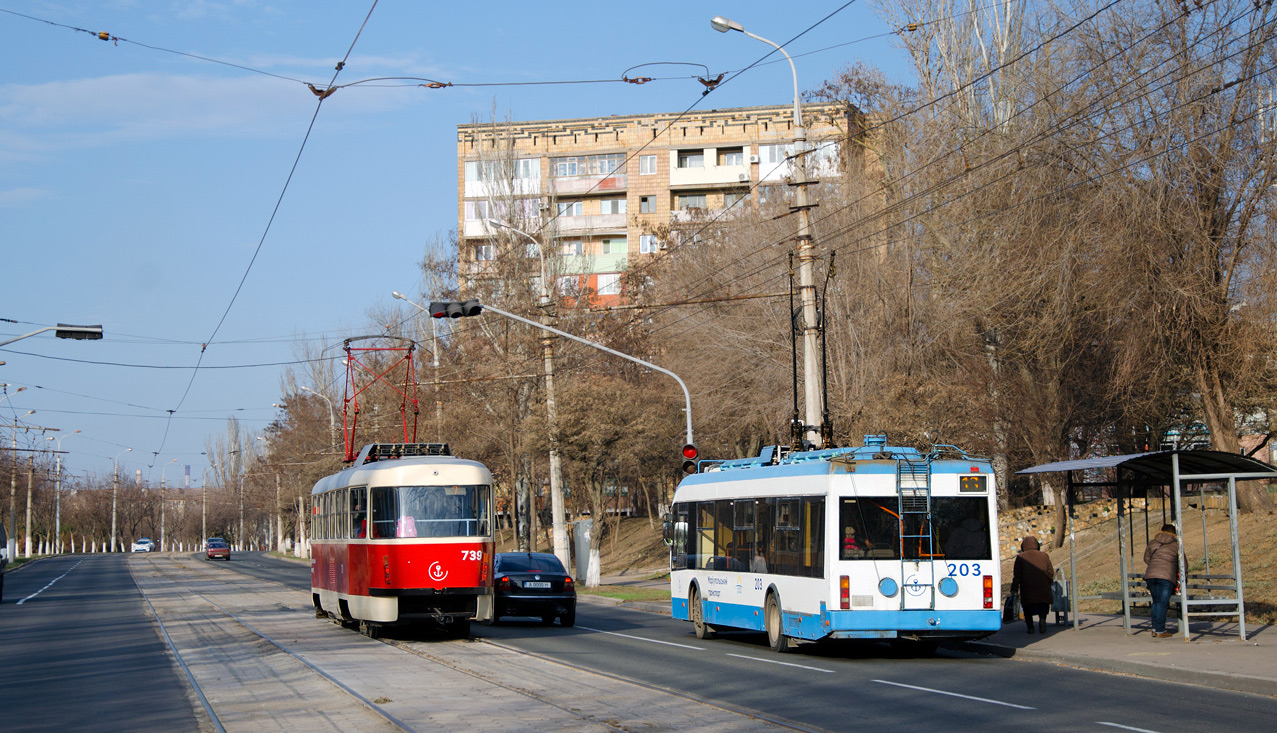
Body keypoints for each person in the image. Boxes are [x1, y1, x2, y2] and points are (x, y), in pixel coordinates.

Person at [1010, 536, 1055, 634]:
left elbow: (1017, 575)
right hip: (1043, 586)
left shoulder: (1021, 557)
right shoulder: (1044, 555)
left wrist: (1014, 587)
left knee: (1028, 608)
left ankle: (1030, 628)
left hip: (1027, 588)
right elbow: (1050, 571)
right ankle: (1042, 620)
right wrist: (1048, 581)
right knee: (1043, 605)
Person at [1143, 523, 1179, 638]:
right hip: (1166, 577)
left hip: (1151, 576)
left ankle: (1154, 629)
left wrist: (1155, 566)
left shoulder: (1152, 543)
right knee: (1162, 604)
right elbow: (1183, 563)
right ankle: (1160, 630)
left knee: (1156, 602)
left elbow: (1147, 559)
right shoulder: (1176, 545)